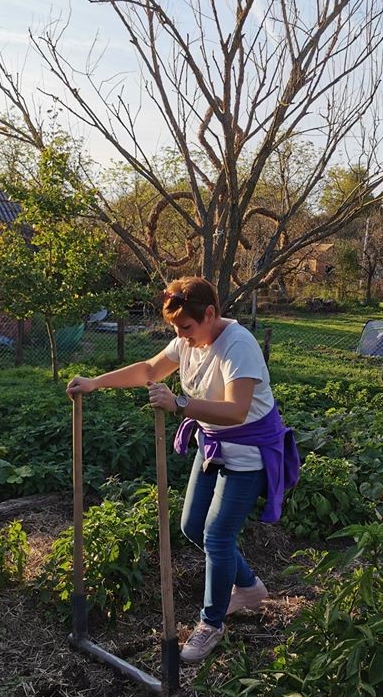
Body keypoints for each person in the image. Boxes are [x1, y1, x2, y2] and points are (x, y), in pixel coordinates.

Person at [67, 276, 299, 664]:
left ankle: (211, 623)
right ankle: (248, 586)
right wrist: (95, 383)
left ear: (210, 314)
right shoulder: (188, 340)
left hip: (249, 454)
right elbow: (148, 369)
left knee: (216, 535)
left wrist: (179, 403)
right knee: (192, 526)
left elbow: (237, 410)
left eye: (187, 328)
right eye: (176, 330)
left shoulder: (238, 346)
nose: (182, 337)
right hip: (214, 446)